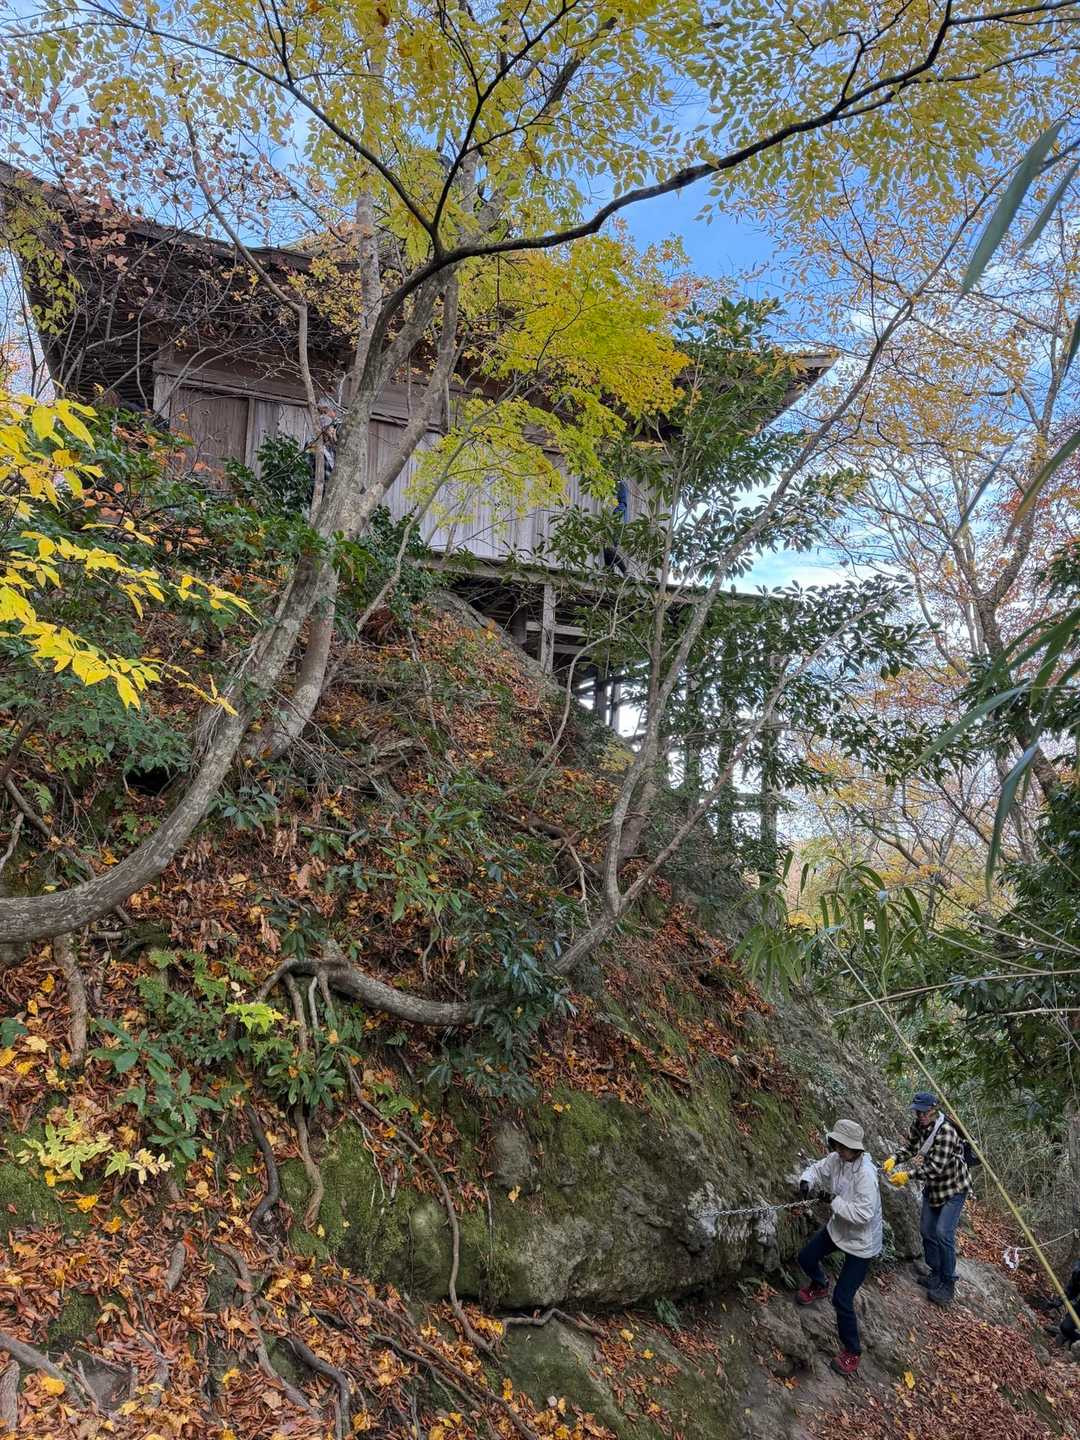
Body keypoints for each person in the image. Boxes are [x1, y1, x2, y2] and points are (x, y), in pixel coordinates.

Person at [795, 1117, 883, 1377]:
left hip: (862, 1243)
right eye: (837, 1145)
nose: (839, 1150)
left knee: (842, 1298)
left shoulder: (866, 1175)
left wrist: (833, 1201)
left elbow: (864, 1214)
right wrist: (806, 1181)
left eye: (844, 1147)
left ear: (856, 1148)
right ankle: (820, 1283)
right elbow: (817, 1169)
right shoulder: (836, 1159)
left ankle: (852, 1351)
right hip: (837, 1230)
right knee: (806, 1257)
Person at [885, 1091, 970, 1308]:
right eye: (918, 1112)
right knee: (926, 1230)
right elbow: (911, 1147)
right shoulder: (918, 1125)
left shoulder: (947, 1132)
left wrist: (907, 1176)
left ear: (934, 1110)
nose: (921, 1116)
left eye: (924, 1112)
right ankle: (936, 1272)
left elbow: (934, 1168)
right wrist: (894, 1158)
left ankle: (948, 1283)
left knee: (943, 1233)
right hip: (934, 1188)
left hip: (954, 1188)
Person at [602, 478, 629, 575]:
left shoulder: (619, 484)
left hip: (616, 524)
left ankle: (625, 571)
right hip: (609, 524)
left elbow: (623, 504)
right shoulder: (608, 485)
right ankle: (610, 573)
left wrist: (615, 517)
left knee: (609, 549)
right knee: (606, 549)